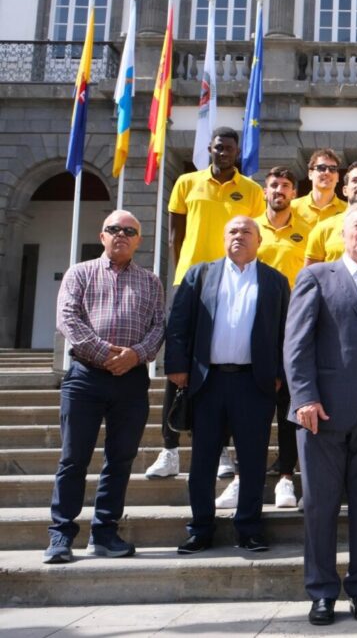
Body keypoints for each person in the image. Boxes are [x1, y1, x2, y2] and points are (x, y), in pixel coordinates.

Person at [284, 202, 357, 626]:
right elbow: (296, 342)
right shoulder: (316, 277)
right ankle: (321, 592)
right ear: (342, 233)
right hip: (323, 411)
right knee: (320, 506)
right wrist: (304, 397)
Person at [44, 211, 165, 564]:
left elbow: (159, 327)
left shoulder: (151, 282)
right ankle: (61, 535)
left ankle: (105, 533)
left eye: (129, 231)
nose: (121, 235)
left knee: (120, 459)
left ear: (139, 240)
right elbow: (67, 318)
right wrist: (103, 354)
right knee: (73, 459)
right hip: (86, 378)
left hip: (131, 380)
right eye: (114, 229)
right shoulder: (79, 273)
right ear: (102, 236)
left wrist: (136, 355)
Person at [166, 216, 290, 555]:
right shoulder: (200, 274)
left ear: (259, 240)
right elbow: (178, 322)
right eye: (232, 231)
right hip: (208, 381)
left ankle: (249, 528)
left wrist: (279, 373)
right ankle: (200, 529)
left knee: (252, 460)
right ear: (224, 238)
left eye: (247, 231)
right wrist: (177, 366)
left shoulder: (275, 281)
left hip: (255, 383)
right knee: (203, 461)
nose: (239, 236)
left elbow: (286, 332)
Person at [146, 127, 265, 480]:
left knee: (220, 366)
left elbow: (254, 236)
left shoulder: (252, 190)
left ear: (237, 152)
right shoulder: (186, 183)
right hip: (191, 281)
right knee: (178, 365)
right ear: (209, 149)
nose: (222, 152)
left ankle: (222, 449)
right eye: (217, 147)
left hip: (231, 281)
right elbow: (175, 234)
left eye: (229, 148)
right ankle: (169, 448)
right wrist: (184, 273)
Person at [248, 166, 310, 510]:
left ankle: (286, 475)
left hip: (293, 325)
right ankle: (245, 476)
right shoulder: (251, 229)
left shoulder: (307, 230)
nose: (279, 191)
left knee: (288, 403)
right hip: (254, 326)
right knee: (252, 407)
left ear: (293, 193)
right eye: (274, 185)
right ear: (265, 191)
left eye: (286, 186)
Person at [292, 148, 346, 227]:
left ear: (337, 177)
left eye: (332, 169)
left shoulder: (348, 211)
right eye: (321, 168)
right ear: (310, 174)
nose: (327, 172)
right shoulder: (292, 208)